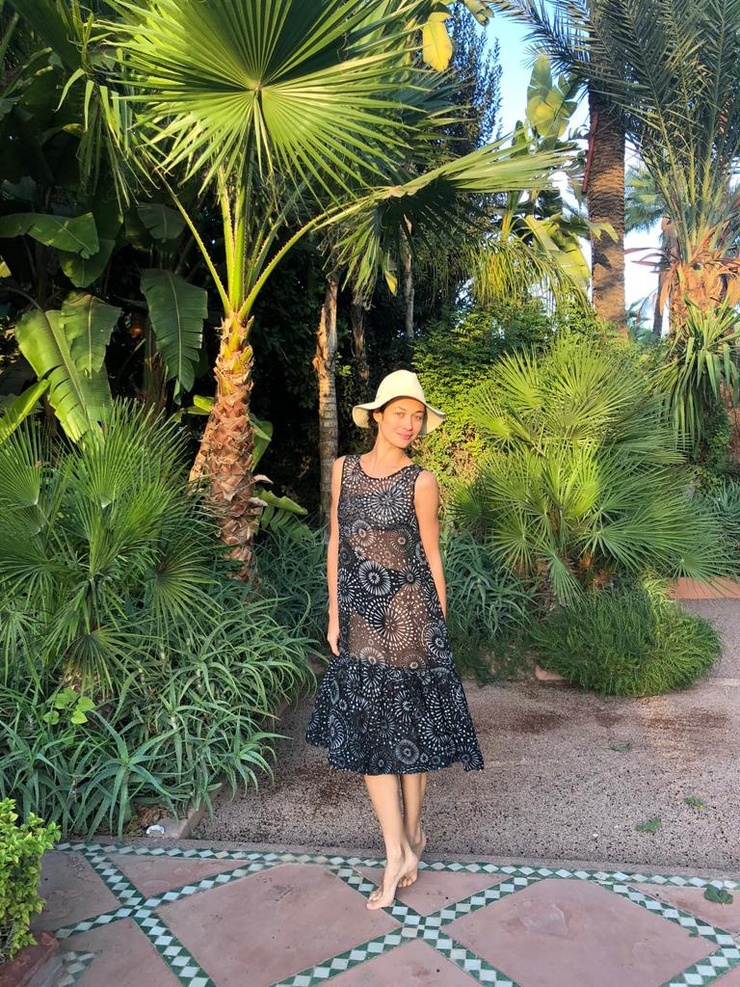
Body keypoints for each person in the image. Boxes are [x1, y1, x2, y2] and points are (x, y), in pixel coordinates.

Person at [306, 369, 484, 910]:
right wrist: (334, 611)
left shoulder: (421, 481)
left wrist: (438, 623)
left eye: (417, 416)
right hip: (361, 617)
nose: (409, 424)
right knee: (370, 732)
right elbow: (336, 540)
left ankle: (412, 833)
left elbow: (432, 555)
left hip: (411, 618)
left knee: (410, 729)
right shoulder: (343, 469)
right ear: (378, 416)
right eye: (400, 413)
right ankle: (396, 851)